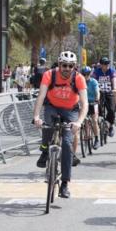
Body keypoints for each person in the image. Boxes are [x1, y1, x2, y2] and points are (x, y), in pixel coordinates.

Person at [32, 51, 88, 199]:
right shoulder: (49, 75)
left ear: (74, 66)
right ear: (59, 64)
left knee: (68, 144)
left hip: (70, 110)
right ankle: (45, 151)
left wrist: (79, 122)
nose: (67, 68)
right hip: (52, 106)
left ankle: (64, 184)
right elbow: (41, 96)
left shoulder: (79, 78)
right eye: (64, 65)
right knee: (47, 125)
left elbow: (85, 103)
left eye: (70, 66)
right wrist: (36, 116)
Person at [93, 57, 116, 137]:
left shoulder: (111, 71)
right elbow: (93, 81)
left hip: (109, 92)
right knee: (98, 109)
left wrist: (114, 89)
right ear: (101, 65)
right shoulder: (96, 72)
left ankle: (110, 126)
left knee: (111, 110)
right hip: (99, 92)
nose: (106, 65)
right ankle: (100, 122)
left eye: (107, 63)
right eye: (104, 64)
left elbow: (114, 80)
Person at [82, 66, 101, 150]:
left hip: (93, 102)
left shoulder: (94, 82)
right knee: (85, 119)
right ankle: (87, 134)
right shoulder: (80, 81)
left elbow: (97, 91)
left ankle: (97, 138)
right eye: (84, 74)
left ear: (90, 74)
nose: (86, 76)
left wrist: (97, 99)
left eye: (87, 74)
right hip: (84, 102)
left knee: (94, 120)